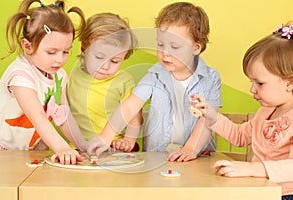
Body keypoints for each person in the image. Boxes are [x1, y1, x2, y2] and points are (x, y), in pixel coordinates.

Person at [87, 2, 222, 162]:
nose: (165, 53)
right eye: (160, 45)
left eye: (174, 46)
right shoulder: (154, 76)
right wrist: (105, 136)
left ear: (196, 48)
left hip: (198, 157)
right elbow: (130, 106)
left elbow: (208, 118)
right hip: (157, 157)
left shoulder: (211, 78)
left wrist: (190, 149)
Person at [191, 23, 293, 198]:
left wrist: (252, 168)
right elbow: (239, 136)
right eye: (251, 82)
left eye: (259, 83)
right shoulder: (263, 112)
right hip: (261, 189)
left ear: (289, 83)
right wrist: (211, 115)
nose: (252, 90)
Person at [0, 0, 88, 165]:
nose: (60, 59)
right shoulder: (20, 75)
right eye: (52, 52)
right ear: (27, 46)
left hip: (28, 150)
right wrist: (61, 147)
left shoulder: (59, 75)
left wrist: (85, 146)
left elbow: (62, 116)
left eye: (66, 51)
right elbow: (36, 115)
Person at [67, 13, 143, 152]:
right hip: (79, 146)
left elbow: (135, 116)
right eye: (99, 57)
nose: (106, 66)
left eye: (115, 61)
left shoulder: (124, 82)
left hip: (114, 145)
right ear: (84, 49)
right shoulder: (72, 76)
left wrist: (129, 140)